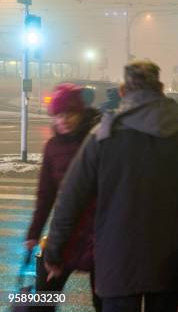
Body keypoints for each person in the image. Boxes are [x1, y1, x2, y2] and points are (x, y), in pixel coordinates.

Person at [44, 61, 178, 311]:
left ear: (122, 92)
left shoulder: (102, 135)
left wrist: (54, 251)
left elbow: (70, 198)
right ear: (161, 88)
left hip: (115, 258)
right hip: (171, 256)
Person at [26, 84, 102, 311]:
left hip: (97, 235)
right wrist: (33, 233)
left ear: (80, 113)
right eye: (58, 114)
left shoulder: (97, 142)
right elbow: (45, 194)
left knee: (103, 298)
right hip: (66, 232)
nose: (64, 120)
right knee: (44, 295)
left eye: (70, 113)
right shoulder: (52, 147)